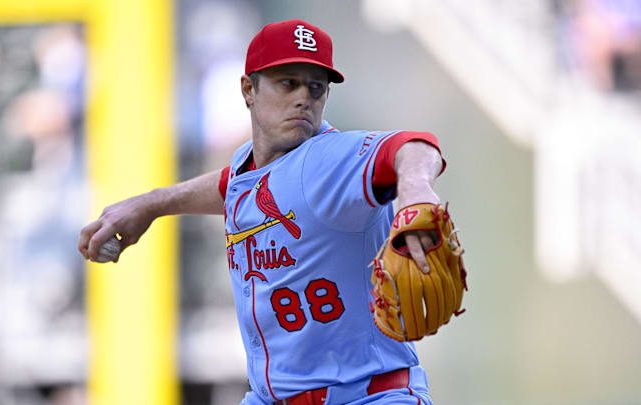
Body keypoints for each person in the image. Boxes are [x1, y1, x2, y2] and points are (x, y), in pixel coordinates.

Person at [78, 19, 446, 405]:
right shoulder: (249, 168)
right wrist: (149, 205)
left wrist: (417, 188)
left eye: (315, 87)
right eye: (288, 83)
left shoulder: (329, 160)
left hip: (366, 397)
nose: (304, 97)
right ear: (248, 90)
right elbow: (232, 186)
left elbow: (413, 146)